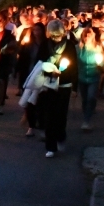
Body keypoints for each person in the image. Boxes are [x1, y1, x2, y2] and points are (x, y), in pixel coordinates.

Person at [37, 20, 77, 158]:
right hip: (48, 84)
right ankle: (50, 146)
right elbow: (39, 63)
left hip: (64, 84)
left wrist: (74, 87)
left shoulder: (70, 46)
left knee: (61, 115)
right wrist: (50, 72)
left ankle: (60, 136)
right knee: (49, 115)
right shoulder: (44, 45)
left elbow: (74, 66)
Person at [76, 28, 103, 131]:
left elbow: (102, 62)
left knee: (91, 98)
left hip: (93, 77)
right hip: (82, 77)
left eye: (89, 35)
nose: (87, 37)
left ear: (92, 36)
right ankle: (86, 116)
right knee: (84, 99)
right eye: (85, 35)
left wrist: (101, 64)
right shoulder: (78, 48)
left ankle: (86, 121)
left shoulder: (97, 48)